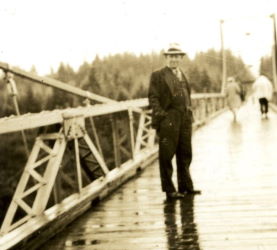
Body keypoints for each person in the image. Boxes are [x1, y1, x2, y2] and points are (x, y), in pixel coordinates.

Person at [148, 43, 201, 200]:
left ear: (181, 58)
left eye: (177, 56)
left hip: (184, 119)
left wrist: (189, 112)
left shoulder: (183, 74)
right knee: (167, 156)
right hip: (169, 119)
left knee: (185, 153)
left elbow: (187, 95)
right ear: (166, 58)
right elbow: (153, 97)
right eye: (171, 56)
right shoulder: (158, 75)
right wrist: (162, 116)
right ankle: (170, 191)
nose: (174, 59)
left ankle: (185, 187)